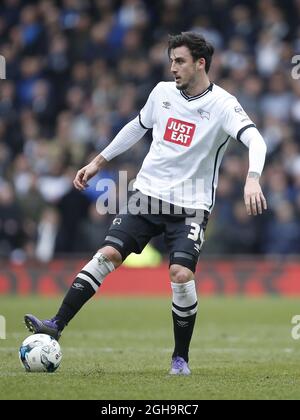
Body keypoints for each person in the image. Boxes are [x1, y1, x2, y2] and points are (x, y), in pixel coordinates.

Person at [24, 32, 267, 375]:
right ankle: (56, 325)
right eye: (171, 61)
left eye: (180, 61)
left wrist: (253, 177)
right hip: (147, 196)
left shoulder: (224, 105)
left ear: (201, 63)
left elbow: (256, 139)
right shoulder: (162, 93)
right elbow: (137, 127)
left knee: (180, 274)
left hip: (191, 207)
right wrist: (98, 161)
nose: (173, 68)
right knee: (107, 254)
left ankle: (180, 358)